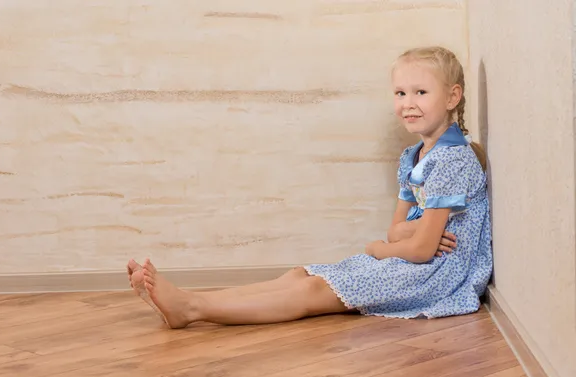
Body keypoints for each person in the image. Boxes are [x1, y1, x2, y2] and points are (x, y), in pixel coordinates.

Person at [126, 46, 493, 328]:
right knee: (300, 274)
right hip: (410, 260)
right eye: (400, 93)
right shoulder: (412, 156)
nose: (407, 104)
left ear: (452, 97)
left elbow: (420, 250)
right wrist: (402, 235)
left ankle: (191, 309)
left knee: (312, 290)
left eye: (420, 93)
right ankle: (193, 298)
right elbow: (398, 231)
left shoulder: (452, 159)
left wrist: (379, 247)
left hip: (435, 276)